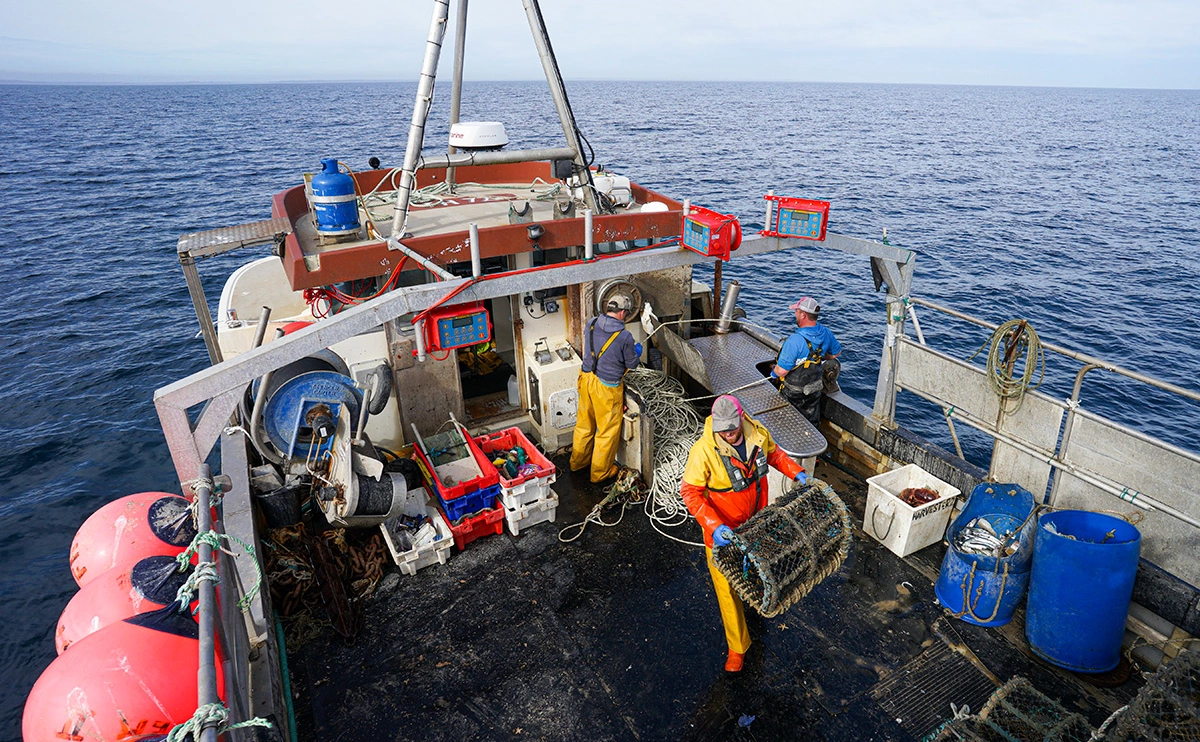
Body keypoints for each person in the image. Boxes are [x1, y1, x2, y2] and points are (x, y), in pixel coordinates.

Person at [680, 395, 808, 672]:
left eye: (732, 427)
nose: (728, 433)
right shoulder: (702, 452)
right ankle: (738, 647)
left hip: (756, 522)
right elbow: (690, 493)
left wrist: (796, 472)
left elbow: (774, 454)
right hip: (723, 532)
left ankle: (755, 599)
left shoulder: (757, 433)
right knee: (727, 588)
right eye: (723, 429)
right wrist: (714, 526)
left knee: (755, 568)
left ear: (741, 418)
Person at [569, 294, 642, 483]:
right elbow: (632, 364)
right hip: (607, 388)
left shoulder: (591, 323)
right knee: (607, 431)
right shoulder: (624, 336)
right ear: (623, 312)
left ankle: (577, 463)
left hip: (586, 379)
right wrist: (637, 352)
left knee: (584, 425)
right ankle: (599, 473)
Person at [772, 296, 841, 425]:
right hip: (814, 389)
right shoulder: (826, 333)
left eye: (796, 311)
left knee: (786, 422)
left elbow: (781, 371)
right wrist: (819, 356)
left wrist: (773, 374)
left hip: (793, 392)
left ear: (803, 315)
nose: (795, 314)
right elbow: (836, 353)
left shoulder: (794, 341)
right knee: (811, 420)